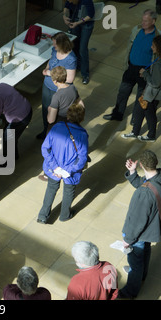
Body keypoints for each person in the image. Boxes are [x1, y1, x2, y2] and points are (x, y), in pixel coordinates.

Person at [118, 150, 161, 299]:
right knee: (146, 250)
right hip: (152, 227)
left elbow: (137, 221)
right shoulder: (158, 177)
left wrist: (127, 239)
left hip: (141, 232)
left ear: (141, 164)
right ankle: (142, 274)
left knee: (135, 260)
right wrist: (132, 173)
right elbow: (146, 185)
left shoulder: (144, 194)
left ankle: (130, 291)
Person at [37, 101, 88, 224]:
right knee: (69, 191)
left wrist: (55, 168)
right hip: (70, 172)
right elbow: (82, 158)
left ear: (68, 115)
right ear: (81, 118)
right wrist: (67, 171)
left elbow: (45, 148)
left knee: (51, 189)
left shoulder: (57, 127)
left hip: (53, 168)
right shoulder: (82, 134)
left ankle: (43, 216)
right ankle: (65, 215)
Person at [104, 9, 159, 122]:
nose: (142, 23)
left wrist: (148, 71)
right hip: (131, 68)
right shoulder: (136, 29)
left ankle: (135, 118)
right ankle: (117, 114)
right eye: (142, 20)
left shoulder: (158, 37)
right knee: (122, 92)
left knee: (140, 96)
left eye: (146, 21)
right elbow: (130, 46)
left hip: (144, 71)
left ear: (153, 21)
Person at [0, 78, 32, 168]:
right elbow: (3, 98)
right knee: (11, 136)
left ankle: (5, 161)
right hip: (27, 110)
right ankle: (14, 155)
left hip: (19, 119)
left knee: (7, 140)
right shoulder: (2, 85)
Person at [37, 32, 77, 139]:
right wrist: (46, 68)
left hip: (58, 90)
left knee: (55, 113)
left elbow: (69, 79)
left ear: (62, 44)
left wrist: (50, 73)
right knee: (45, 109)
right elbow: (51, 61)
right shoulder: (55, 50)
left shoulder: (71, 59)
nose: (53, 46)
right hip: (47, 85)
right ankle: (45, 130)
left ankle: (53, 135)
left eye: (55, 44)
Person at [121, 35, 161, 143]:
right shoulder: (158, 59)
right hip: (150, 93)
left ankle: (151, 135)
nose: (151, 47)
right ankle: (135, 132)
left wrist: (145, 74)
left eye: (153, 46)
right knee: (139, 110)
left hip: (152, 94)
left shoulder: (158, 64)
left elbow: (156, 83)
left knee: (150, 114)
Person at [63, 0, 95, 85]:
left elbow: (90, 15)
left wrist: (78, 23)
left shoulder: (86, 1)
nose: (70, 2)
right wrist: (64, 16)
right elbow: (66, 7)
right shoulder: (70, 1)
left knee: (82, 49)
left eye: (71, 0)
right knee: (74, 45)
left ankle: (85, 74)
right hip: (75, 20)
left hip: (86, 24)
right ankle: (76, 66)